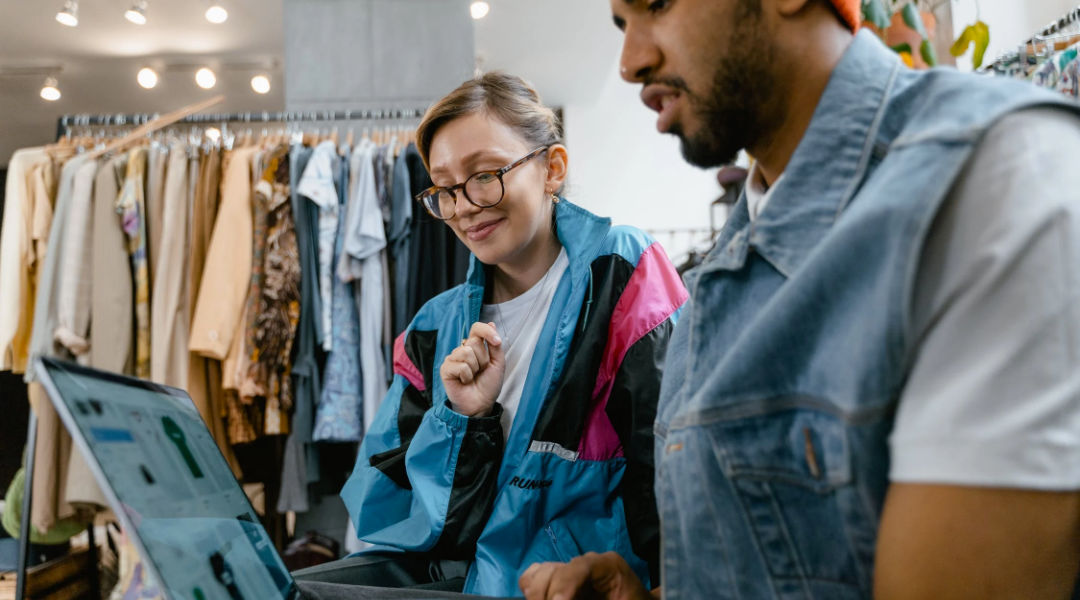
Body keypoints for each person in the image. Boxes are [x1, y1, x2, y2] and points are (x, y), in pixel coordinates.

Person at [520, 0, 1080, 599]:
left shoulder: (988, 181)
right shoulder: (721, 274)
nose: (631, 62)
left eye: (656, 6)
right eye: (621, 25)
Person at [294, 72, 687, 598]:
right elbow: (389, 515)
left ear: (553, 168)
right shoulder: (432, 330)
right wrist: (464, 421)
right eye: (445, 188)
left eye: (484, 175)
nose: (463, 207)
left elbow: (671, 469)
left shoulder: (622, 272)